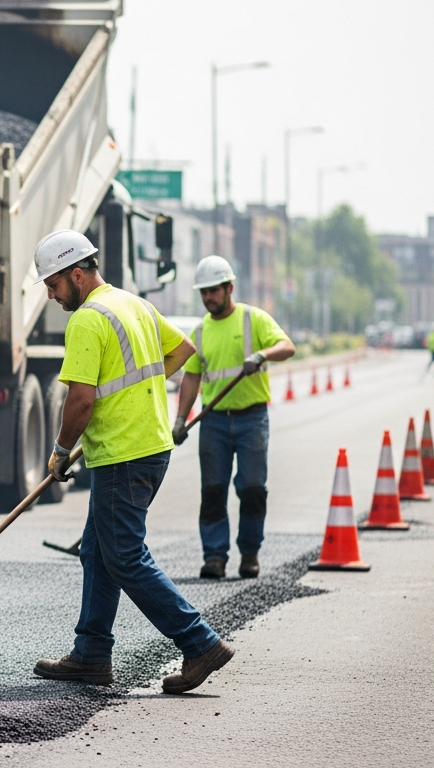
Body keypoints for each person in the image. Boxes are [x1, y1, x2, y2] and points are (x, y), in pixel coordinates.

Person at [30, 229, 233, 695]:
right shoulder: (132, 304)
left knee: (123, 555)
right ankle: (92, 654)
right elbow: (183, 349)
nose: (51, 294)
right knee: (98, 551)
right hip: (147, 446)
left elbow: (80, 400)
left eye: (54, 284)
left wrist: (60, 453)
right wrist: (133, 392)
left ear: (77, 274)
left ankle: (199, 642)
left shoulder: (86, 320)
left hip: (124, 453)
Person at [172, 256, 295, 580]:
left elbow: (287, 346)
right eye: (204, 292)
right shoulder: (200, 332)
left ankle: (250, 553)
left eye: (214, 291)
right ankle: (214, 557)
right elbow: (192, 378)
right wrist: (181, 420)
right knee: (213, 490)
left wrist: (262, 355)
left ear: (229, 288)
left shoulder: (253, 319)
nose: (208, 298)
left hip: (252, 419)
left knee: (253, 487)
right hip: (213, 422)